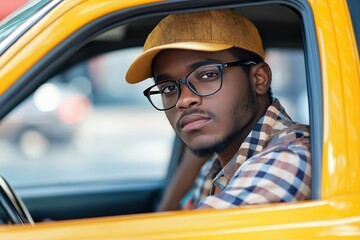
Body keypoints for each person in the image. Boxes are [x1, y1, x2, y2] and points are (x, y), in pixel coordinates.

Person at [126, 9, 311, 209]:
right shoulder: (217, 166)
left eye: (207, 75)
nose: (184, 100)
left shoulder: (285, 161)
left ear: (259, 79)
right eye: (169, 88)